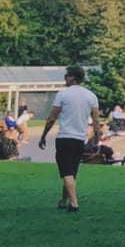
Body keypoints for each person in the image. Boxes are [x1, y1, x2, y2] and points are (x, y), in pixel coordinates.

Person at [38, 64, 101, 213]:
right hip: (79, 139)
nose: (65, 79)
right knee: (71, 172)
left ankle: (74, 203)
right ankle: (63, 201)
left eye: (66, 76)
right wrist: (97, 140)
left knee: (66, 172)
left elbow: (52, 118)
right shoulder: (91, 96)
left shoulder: (63, 95)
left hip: (64, 137)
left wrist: (43, 136)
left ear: (72, 77)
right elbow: (96, 121)